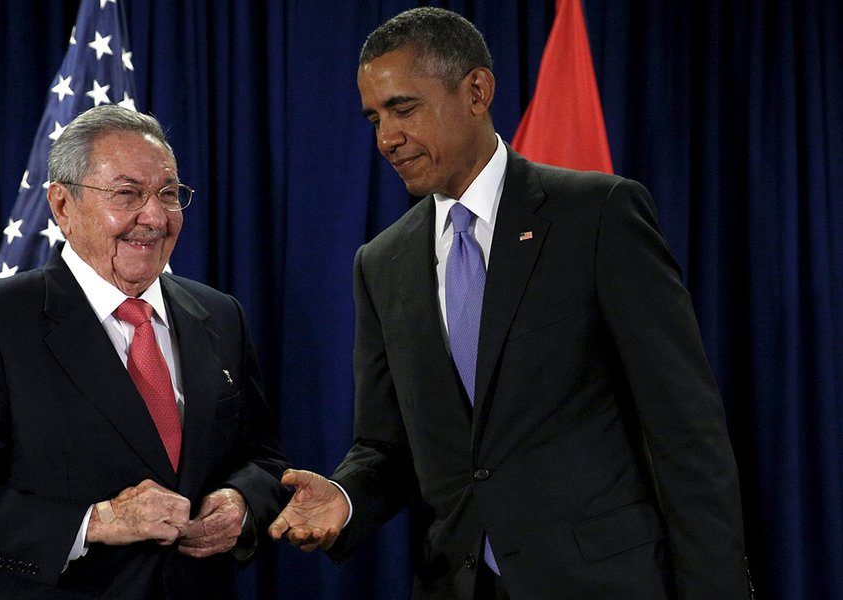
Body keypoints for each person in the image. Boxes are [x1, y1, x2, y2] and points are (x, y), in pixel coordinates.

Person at [269, 7, 750, 599]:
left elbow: (685, 430)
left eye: (403, 108)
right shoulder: (381, 263)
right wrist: (345, 497)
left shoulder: (597, 217)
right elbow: (387, 444)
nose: (386, 138)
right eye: (374, 118)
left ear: (476, 90)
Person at [0, 105, 290, 599]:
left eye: (168, 194)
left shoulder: (220, 314)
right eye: (127, 194)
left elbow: (264, 458)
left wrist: (242, 501)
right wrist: (95, 522)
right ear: (62, 206)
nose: (155, 217)